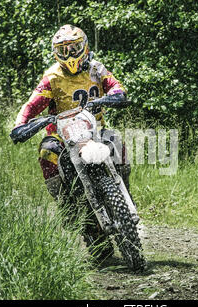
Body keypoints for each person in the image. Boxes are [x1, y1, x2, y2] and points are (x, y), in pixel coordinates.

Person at [14, 24, 131, 202]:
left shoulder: (96, 69)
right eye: (63, 51)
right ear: (56, 53)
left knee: (116, 141)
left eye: (74, 48)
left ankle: (126, 194)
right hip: (61, 136)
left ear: (84, 46)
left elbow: (116, 86)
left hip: (95, 130)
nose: (69, 55)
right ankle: (64, 203)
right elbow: (31, 105)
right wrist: (20, 124)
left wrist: (115, 95)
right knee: (47, 152)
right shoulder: (52, 77)